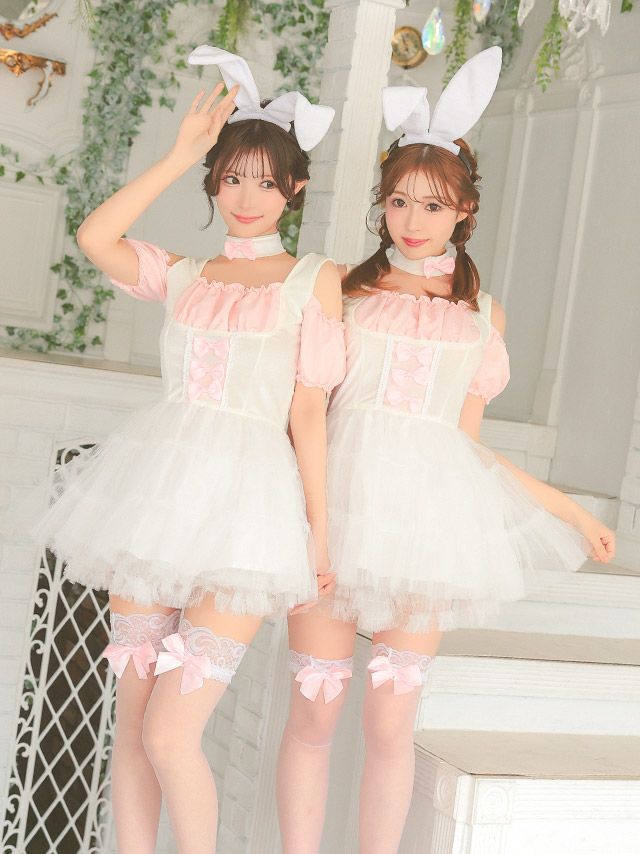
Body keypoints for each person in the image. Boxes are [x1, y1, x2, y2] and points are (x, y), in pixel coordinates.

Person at [276, 47, 615, 854]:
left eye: (432, 203)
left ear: (464, 209)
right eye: (399, 200)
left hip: (424, 529)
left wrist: (569, 511)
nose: (412, 218)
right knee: (315, 713)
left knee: (391, 725)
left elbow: (465, 449)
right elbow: (306, 412)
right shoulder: (344, 290)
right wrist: (307, 524)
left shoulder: (482, 316)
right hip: (329, 514)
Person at [30, 47, 345, 854]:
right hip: (156, 496)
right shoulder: (183, 274)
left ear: (295, 188)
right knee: (132, 729)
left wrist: (318, 532)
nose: (246, 197)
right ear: (213, 182)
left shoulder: (313, 280)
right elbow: (95, 235)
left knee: (172, 735)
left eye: (266, 182)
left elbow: (309, 411)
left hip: (250, 511)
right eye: (231, 177)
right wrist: (178, 154)